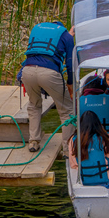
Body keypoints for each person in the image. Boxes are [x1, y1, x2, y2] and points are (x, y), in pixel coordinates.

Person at [21, 21, 75, 154]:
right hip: (49, 73)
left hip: (27, 71)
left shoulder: (37, 29)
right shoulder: (67, 37)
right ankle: (67, 149)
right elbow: (70, 63)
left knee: (34, 105)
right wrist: (70, 83)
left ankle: (33, 142)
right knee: (67, 110)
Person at [68, 111, 109, 191]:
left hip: (84, 182)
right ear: (98, 124)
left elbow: (73, 165)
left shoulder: (73, 140)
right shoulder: (104, 139)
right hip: (106, 183)